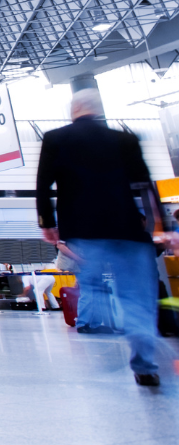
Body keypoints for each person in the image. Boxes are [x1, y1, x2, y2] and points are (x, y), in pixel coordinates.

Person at [36, 88, 164, 387]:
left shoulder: (56, 138)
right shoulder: (125, 139)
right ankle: (144, 362)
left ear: (74, 110)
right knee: (136, 298)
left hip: (84, 230)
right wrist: (160, 225)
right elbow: (145, 185)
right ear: (99, 110)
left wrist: (47, 223)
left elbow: (43, 185)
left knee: (92, 284)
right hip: (127, 228)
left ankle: (99, 334)